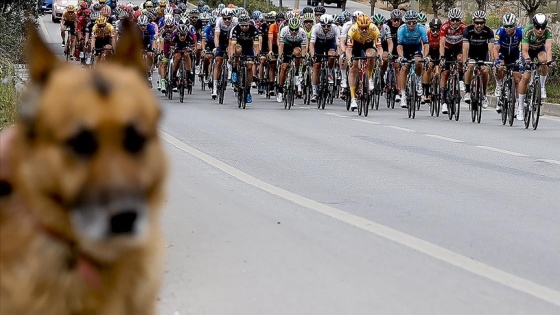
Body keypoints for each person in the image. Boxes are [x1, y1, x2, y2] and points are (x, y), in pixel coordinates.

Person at [517, 13, 555, 120]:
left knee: (543, 60)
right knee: (525, 77)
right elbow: (524, 50)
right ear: (533, 25)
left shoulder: (548, 31)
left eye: (542, 27)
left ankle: (542, 87)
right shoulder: (528, 31)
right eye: (537, 26)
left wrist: (550, 61)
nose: (540, 30)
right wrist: (527, 59)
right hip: (528, 51)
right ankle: (520, 107)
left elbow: (548, 48)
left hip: (539, 50)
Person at [346, 14, 382, 110]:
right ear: (358, 26)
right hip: (356, 45)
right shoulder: (352, 30)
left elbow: (379, 47)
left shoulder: (374, 29)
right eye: (362, 28)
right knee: (353, 67)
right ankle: (353, 98)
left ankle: (369, 78)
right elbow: (348, 49)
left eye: (366, 28)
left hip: (368, 45)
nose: (364, 30)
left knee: (371, 55)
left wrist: (380, 57)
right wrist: (349, 59)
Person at [462, 10, 495, 109]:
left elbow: (491, 48)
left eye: (482, 23)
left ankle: (484, 94)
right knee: (470, 65)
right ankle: (467, 91)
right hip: (471, 53)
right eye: (477, 23)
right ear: (473, 23)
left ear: (485, 23)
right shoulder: (467, 31)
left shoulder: (489, 32)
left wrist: (492, 61)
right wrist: (465, 62)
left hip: (483, 54)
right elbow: (465, 48)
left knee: (485, 70)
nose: (479, 25)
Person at [396, 10, 429, 109]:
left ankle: (418, 80)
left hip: (416, 47)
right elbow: (399, 46)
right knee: (404, 67)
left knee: (419, 62)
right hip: (405, 48)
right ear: (405, 22)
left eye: (414, 22)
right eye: (409, 22)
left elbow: (426, 44)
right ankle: (403, 95)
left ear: (417, 22)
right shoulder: (401, 29)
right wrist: (401, 57)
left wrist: (425, 56)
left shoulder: (421, 28)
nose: (411, 24)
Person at [493, 13, 523, 113]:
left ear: (515, 25)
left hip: (514, 54)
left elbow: (524, 48)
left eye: (511, 26)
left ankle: (519, 103)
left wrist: (522, 59)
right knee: (500, 67)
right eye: (506, 26)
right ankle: (499, 84)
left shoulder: (520, 32)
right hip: (503, 53)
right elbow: (495, 49)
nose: (508, 29)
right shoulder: (500, 32)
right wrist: (497, 60)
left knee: (517, 78)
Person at [439, 8, 467, 114]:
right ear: (449, 20)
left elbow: (465, 45)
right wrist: (442, 57)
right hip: (447, 48)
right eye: (453, 20)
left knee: (460, 59)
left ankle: (459, 79)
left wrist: (465, 58)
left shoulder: (464, 27)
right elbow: (441, 43)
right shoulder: (444, 27)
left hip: (458, 48)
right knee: (445, 73)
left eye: (457, 20)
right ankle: (443, 101)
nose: (455, 22)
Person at [230, 14, 259, 104]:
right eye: (242, 25)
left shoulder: (253, 30)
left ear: (249, 24)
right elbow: (232, 45)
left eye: (246, 25)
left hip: (249, 48)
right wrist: (232, 56)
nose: (244, 27)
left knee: (250, 67)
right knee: (238, 50)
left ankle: (248, 91)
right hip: (239, 47)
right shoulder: (236, 29)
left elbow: (256, 45)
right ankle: (235, 70)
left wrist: (257, 56)